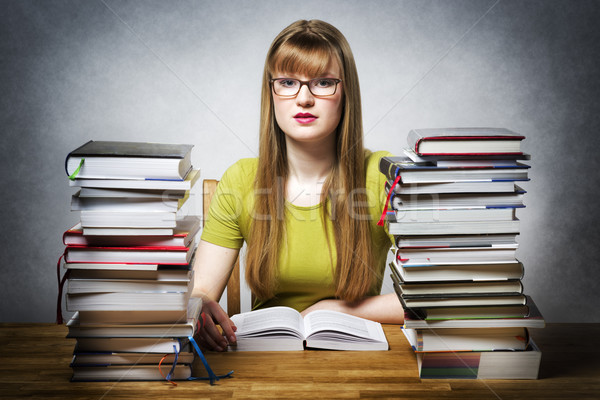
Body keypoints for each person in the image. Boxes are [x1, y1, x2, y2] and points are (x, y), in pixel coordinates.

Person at [192, 19, 403, 352]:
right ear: (271, 92)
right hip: (262, 360)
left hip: (360, 359)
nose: (304, 98)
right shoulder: (242, 179)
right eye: (288, 82)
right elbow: (201, 292)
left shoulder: (382, 174)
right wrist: (198, 307)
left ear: (345, 91)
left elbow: (436, 296)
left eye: (322, 83)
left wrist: (334, 309)